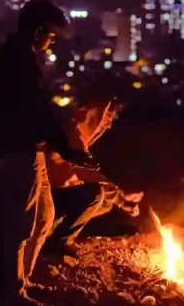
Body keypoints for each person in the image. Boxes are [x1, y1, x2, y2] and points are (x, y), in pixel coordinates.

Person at [0, 0, 98, 306]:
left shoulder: (20, 57)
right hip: (19, 148)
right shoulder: (19, 61)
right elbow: (35, 111)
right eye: (51, 34)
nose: (52, 42)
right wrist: (67, 150)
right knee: (21, 223)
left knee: (43, 217)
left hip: (31, 148)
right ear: (38, 30)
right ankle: (13, 294)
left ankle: (22, 281)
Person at [45, 91, 143, 249]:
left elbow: (83, 172)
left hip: (54, 195)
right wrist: (119, 195)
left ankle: (53, 231)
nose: (109, 124)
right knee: (95, 194)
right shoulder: (69, 131)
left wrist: (120, 197)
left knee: (105, 202)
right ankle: (58, 241)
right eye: (107, 116)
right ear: (93, 113)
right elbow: (84, 171)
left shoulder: (74, 133)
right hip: (44, 197)